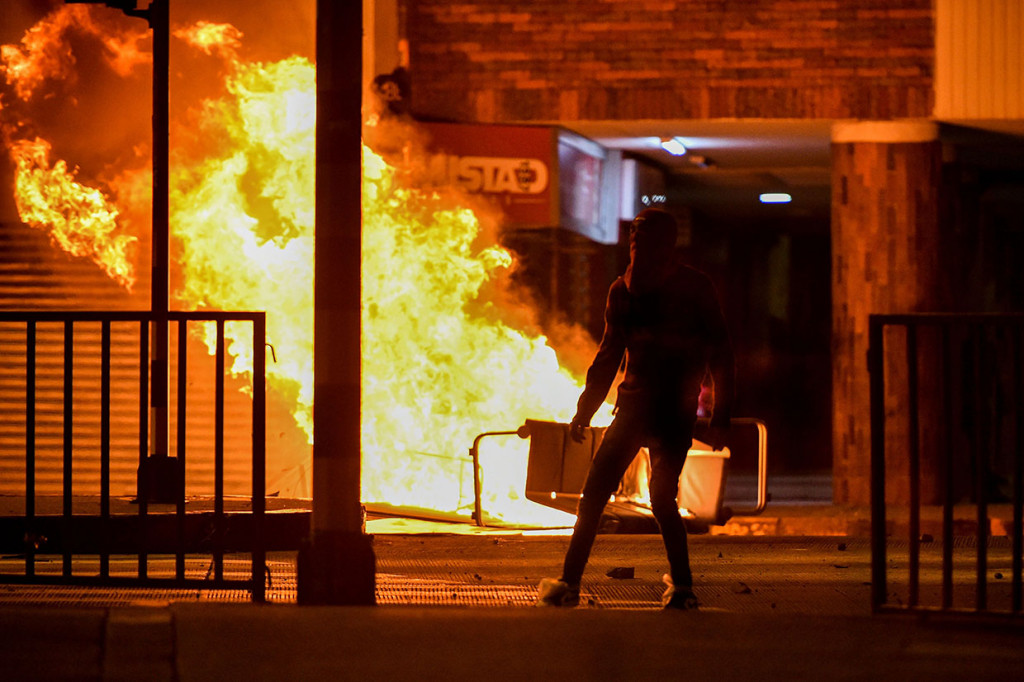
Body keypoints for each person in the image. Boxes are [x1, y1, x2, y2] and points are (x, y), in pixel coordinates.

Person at [537, 207, 735, 610]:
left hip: (653, 410)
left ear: (664, 244)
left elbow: (719, 354)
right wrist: (585, 410)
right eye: (634, 238)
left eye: (642, 239)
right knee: (642, 498)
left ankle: (574, 583)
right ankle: (677, 587)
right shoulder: (640, 289)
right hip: (657, 411)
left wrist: (721, 416)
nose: (636, 245)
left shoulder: (655, 288)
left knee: (615, 497)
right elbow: (610, 355)